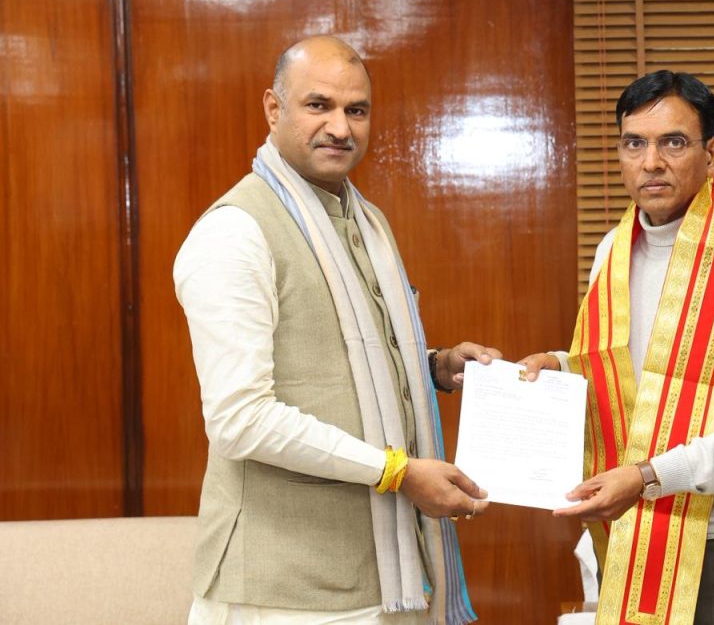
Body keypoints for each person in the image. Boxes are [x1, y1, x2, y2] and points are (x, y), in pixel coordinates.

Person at [174, 35, 497, 625]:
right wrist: (397, 471)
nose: (340, 128)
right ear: (274, 108)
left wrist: (433, 366)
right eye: (318, 105)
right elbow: (240, 419)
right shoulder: (235, 233)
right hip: (282, 591)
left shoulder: (363, 219)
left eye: (356, 110)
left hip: (383, 576)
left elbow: (334, 356)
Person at [520, 71, 714, 624]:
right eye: (634, 143)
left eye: (673, 142)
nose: (651, 162)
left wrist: (649, 475)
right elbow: (631, 366)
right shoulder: (615, 248)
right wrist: (559, 367)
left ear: (712, 153)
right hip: (637, 528)